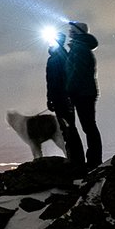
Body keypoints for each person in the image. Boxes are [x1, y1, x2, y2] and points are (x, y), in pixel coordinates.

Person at [46, 30, 86, 173]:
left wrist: (52, 98)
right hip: (62, 98)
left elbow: (54, 81)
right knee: (67, 128)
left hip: (62, 99)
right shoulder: (62, 57)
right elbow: (52, 81)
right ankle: (75, 159)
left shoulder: (58, 58)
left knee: (68, 129)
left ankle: (75, 160)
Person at [66, 21, 102, 171]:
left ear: (77, 32)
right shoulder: (81, 48)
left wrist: (69, 90)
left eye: (71, 30)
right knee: (89, 126)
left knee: (88, 126)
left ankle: (94, 161)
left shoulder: (79, 49)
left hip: (82, 93)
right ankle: (94, 159)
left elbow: (76, 73)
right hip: (85, 92)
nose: (69, 31)